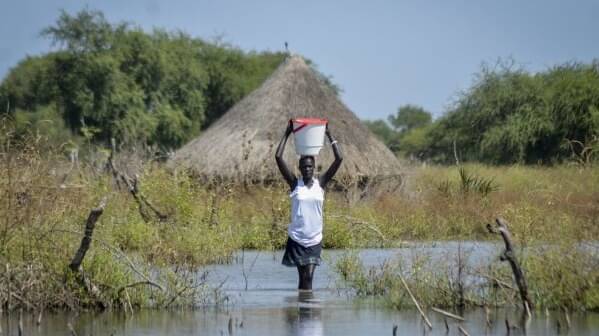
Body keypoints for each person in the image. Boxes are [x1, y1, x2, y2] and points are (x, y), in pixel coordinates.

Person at [275, 120, 343, 290]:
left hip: (314, 239)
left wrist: (328, 134)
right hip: (297, 238)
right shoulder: (294, 184)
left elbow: (339, 158)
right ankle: (303, 310)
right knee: (302, 278)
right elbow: (278, 157)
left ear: (314, 168)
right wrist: (287, 133)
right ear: (299, 168)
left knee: (309, 276)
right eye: (304, 167)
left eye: (310, 167)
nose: (307, 170)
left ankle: (307, 311)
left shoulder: (321, 183)